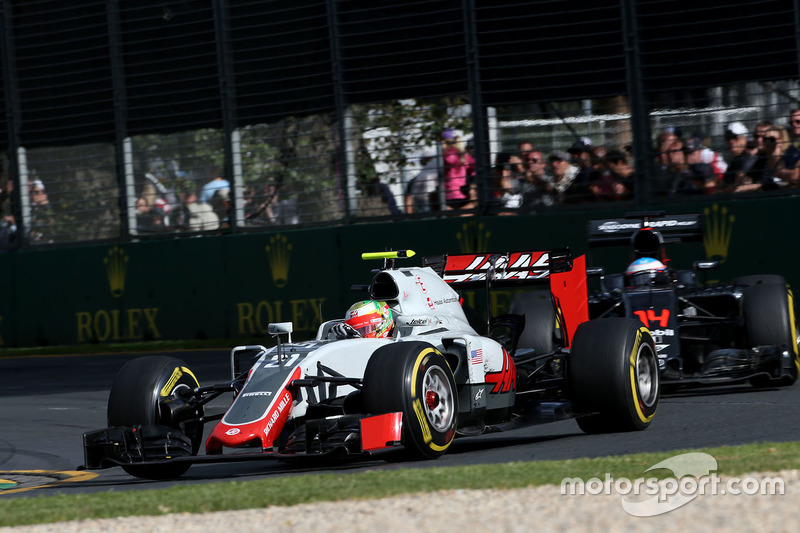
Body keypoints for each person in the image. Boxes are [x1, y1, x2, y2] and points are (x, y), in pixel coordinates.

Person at [720, 122, 757, 193]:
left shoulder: (749, 160)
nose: (731, 141)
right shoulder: (734, 162)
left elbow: (740, 186)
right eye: (728, 137)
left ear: (745, 139)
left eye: (734, 137)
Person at [441, 129, 469, 210]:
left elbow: (450, 160)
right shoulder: (463, 153)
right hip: (462, 192)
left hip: (451, 193)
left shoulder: (449, 153)